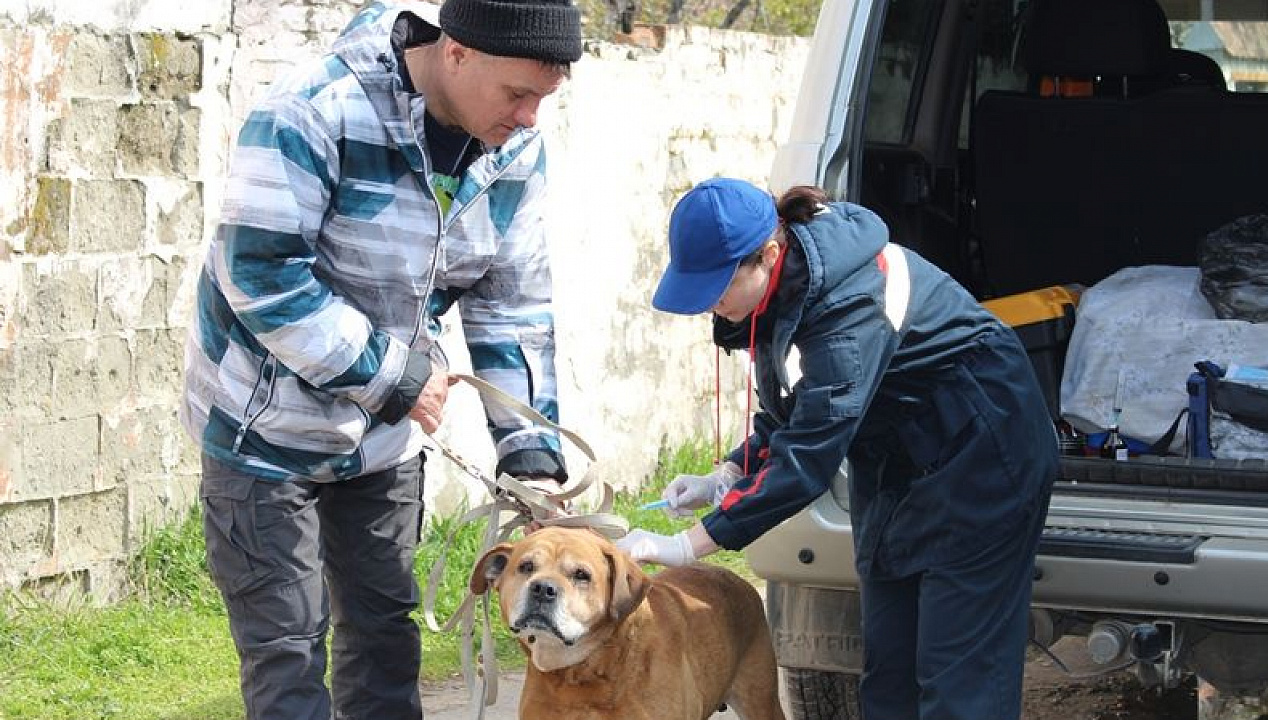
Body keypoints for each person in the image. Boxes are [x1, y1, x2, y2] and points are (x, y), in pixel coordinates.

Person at [179, 1, 582, 718]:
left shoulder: (515, 152)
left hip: (382, 445)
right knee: (289, 659)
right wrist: (393, 377)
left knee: (385, 647)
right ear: (455, 52)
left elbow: (510, 302)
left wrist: (530, 456)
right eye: (518, 94)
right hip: (262, 436)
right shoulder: (309, 114)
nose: (529, 120)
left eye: (543, 100)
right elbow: (261, 278)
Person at [618, 177, 1059, 720]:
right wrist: (730, 471)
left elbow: (808, 460)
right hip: (899, 462)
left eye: (718, 287)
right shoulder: (786, 288)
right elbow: (801, 407)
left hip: (984, 458)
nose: (712, 305)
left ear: (769, 255)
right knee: (889, 675)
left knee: (958, 679)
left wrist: (687, 547)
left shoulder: (847, 309)